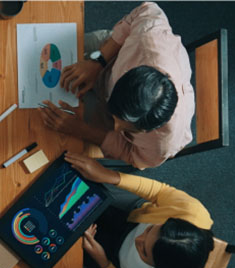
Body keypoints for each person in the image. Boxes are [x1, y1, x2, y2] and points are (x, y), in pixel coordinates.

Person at [39, 2, 194, 168]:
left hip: (103, 124)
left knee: (51, 138)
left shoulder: (163, 144)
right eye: (116, 118)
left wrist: (82, 129)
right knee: (43, 46)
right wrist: (98, 62)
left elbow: (131, 154)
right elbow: (146, 9)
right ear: (127, 75)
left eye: (129, 131)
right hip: (109, 54)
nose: (115, 126)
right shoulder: (149, 38)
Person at [65, 153, 213, 268]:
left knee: (66, 247)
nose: (139, 239)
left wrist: (102, 261)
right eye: (150, 229)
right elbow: (160, 192)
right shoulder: (193, 212)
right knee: (83, 180)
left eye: (143, 251)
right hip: (133, 215)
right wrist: (109, 176)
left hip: (112, 259)